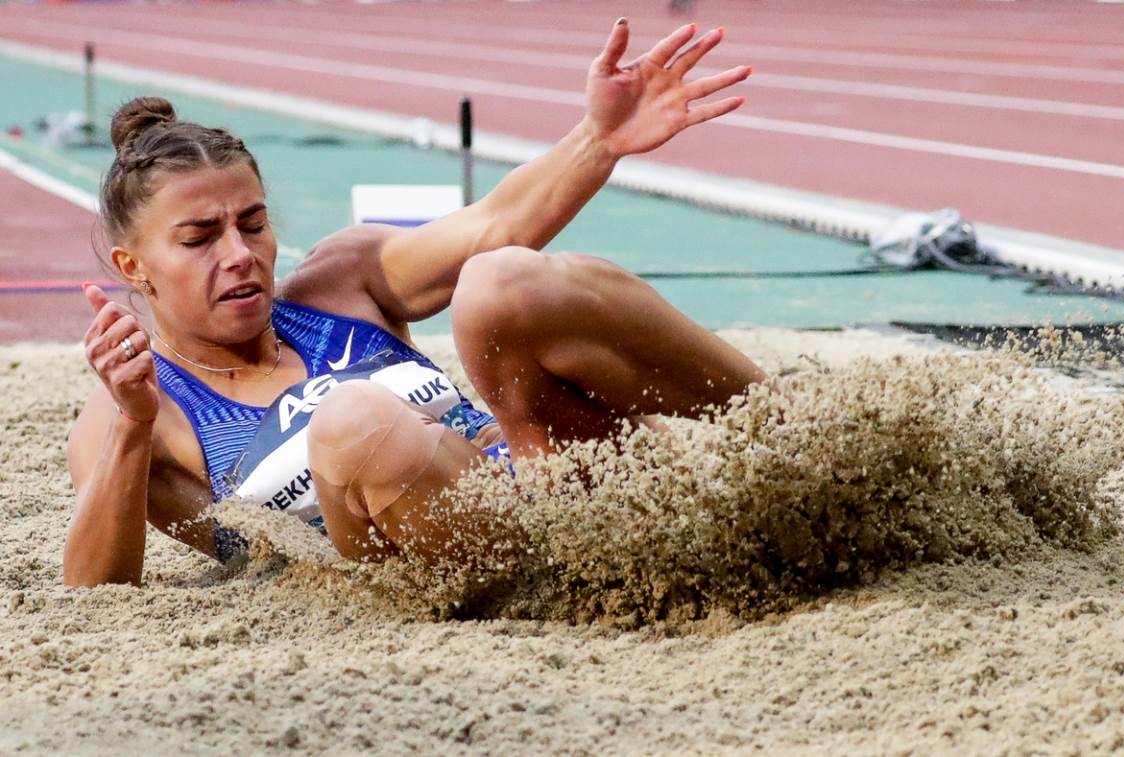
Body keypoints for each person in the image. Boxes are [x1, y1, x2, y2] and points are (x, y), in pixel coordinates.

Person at [64, 19, 765, 587]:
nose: (240, 253)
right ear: (136, 267)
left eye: (251, 223)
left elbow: (497, 227)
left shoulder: (338, 281)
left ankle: (791, 431)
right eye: (199, 238)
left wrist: (598, 141)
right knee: (352, 420)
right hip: (461, 571)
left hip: (560, 494)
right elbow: (95, 589)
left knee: (499, 282)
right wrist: (132, 421)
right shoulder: (141, 410)